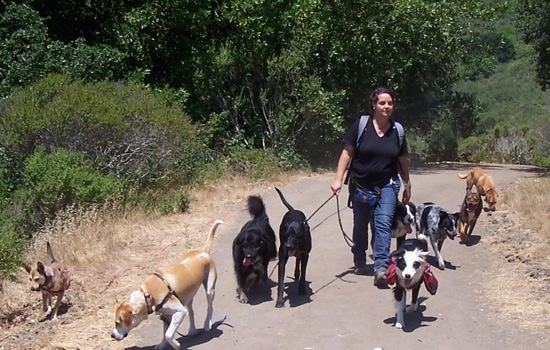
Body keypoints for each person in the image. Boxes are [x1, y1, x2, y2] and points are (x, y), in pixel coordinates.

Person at [331, 86, 411, 287]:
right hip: (361, 185)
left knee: (383, 223)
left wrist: (407, 182)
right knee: (361, 225)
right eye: (382, 103)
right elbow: (347, 153)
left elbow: (402, 160)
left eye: (390, 103)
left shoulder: (397, 131)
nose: (386, 106)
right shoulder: (361, 125)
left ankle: (381, 268)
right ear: (374, 104)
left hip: (387, 184)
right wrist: (338, 179)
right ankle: (359, 258)